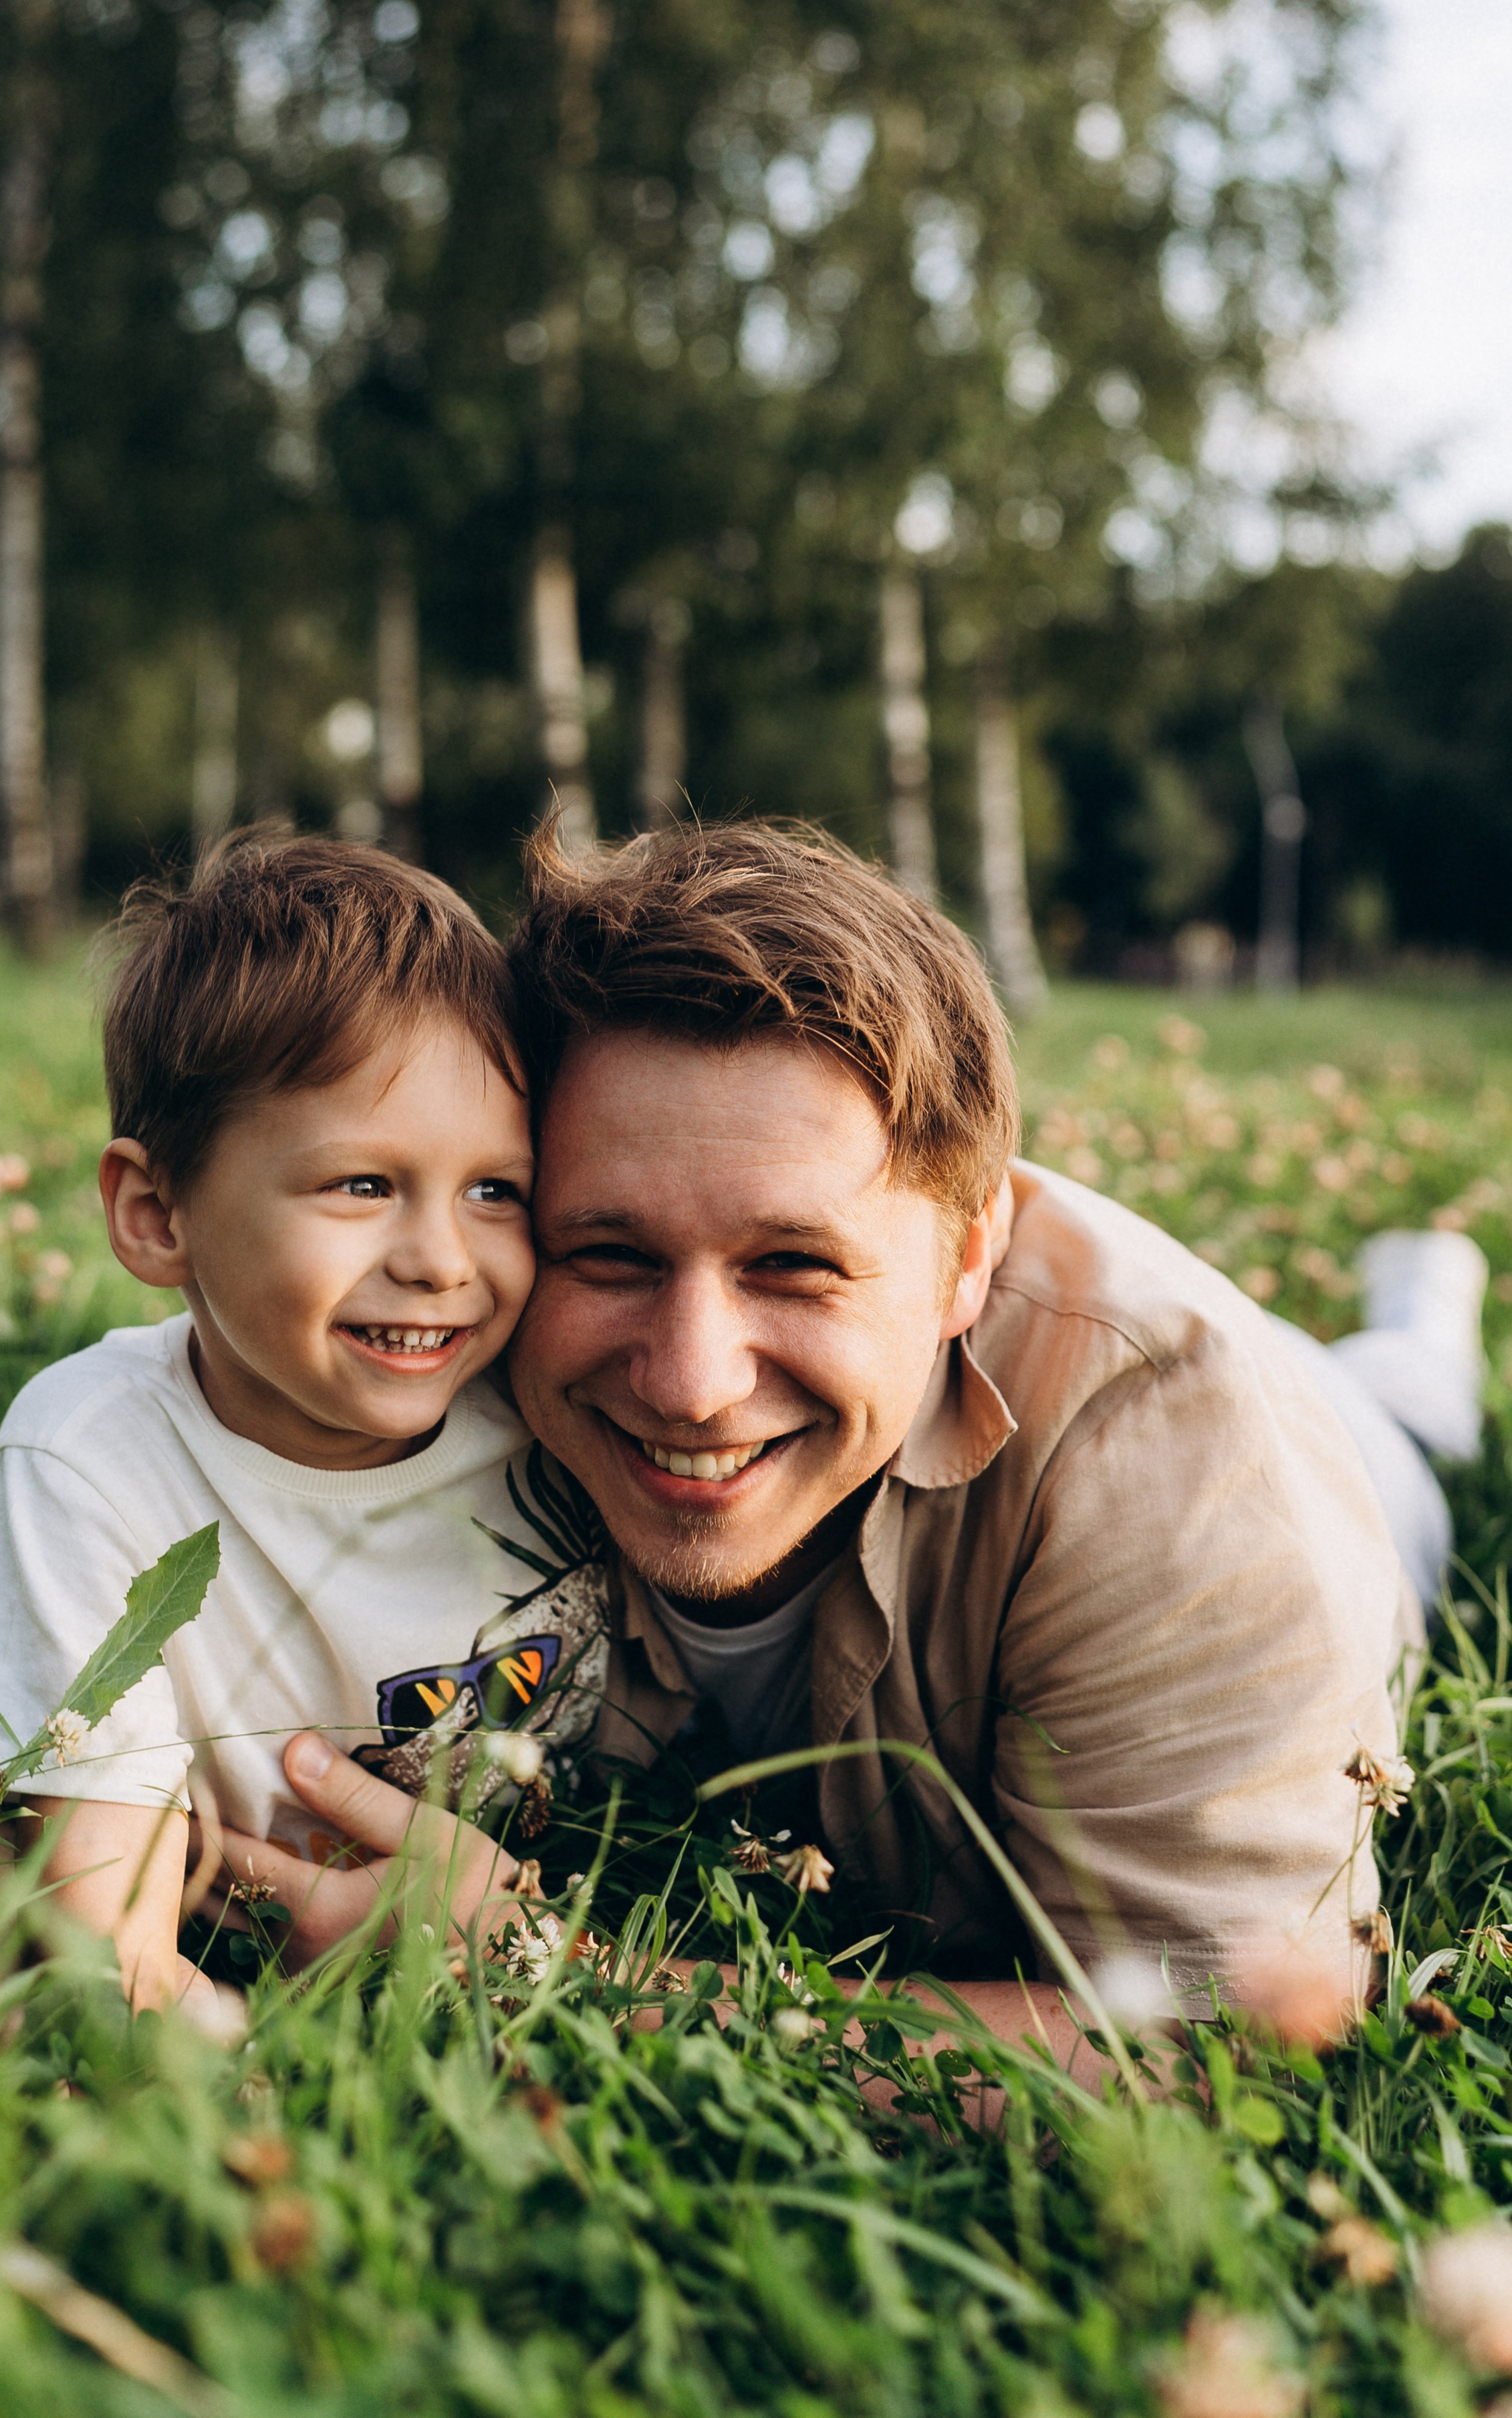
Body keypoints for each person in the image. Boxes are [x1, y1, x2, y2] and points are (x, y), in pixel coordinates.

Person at [183, 822, 1464, 2074]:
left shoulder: (1181, 1460)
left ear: (970, 1256)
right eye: (610, 1254)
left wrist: (530, 1968)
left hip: (1344, 1469)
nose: (690, 1383)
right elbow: (37, 1568)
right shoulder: (447, 1307)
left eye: (793, 1266)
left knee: (1401, 1410)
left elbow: (1216, 2042)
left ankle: (1422, 1338)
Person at [0, 836, 607, 2010]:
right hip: (174, 1837)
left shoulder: (547, 1398)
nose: (444, 1261)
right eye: (362, 1185)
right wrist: (202, 2045)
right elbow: (112, 1939)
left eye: (496, 1190)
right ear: (157, 1217)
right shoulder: (95, 1449)